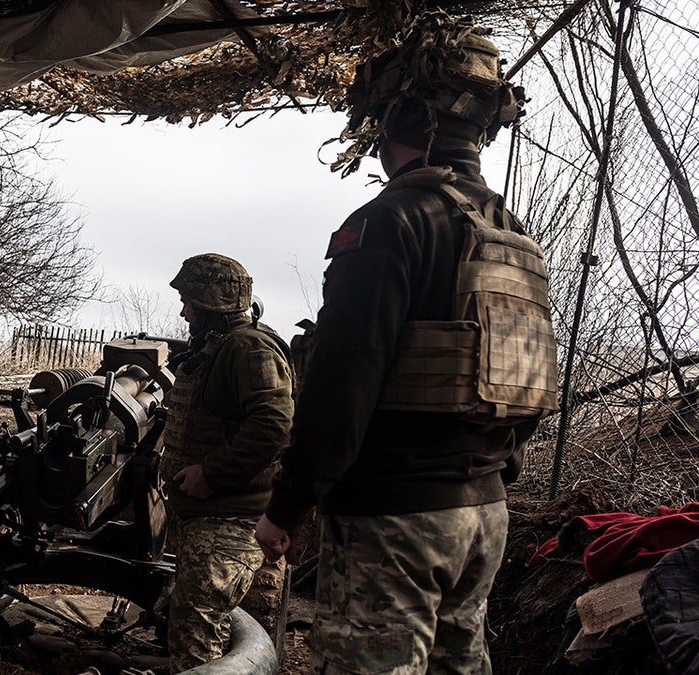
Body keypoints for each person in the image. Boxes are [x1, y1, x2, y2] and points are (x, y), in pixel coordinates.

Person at [255, 12, 558, 673]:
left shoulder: (391, 222)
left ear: (407, 123)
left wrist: (288, 503)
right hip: (484, 514)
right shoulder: (515, 235)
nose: (376, 149)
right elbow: (525, 383)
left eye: (379, 131)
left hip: (396, 519)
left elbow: (343, 380)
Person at [160, 253, 294, 672]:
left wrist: (213, 474)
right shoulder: (219, 345)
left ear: (211, 301)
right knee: (192, 624)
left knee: (196, 633)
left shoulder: (248, 347)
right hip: (207, 515)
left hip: (230, 519)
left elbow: (273, 424)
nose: (184, 311)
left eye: (189, 301)